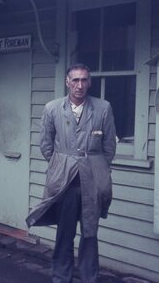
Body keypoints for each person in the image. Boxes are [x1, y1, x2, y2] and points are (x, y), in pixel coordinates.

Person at [26, 63, 116, 283]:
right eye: (75, 80)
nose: (80, 85)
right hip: (64, 183)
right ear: (67, 82)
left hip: (92, 181)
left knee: (89, 234)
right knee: (64, 234)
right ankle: (61, 278)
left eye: (84, 80)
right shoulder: (52, 108)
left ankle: (89, 278)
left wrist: (96, 167)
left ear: (90, 82)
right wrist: (61, 164)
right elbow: (46, 145)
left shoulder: (103, 108)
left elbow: (109, 148)